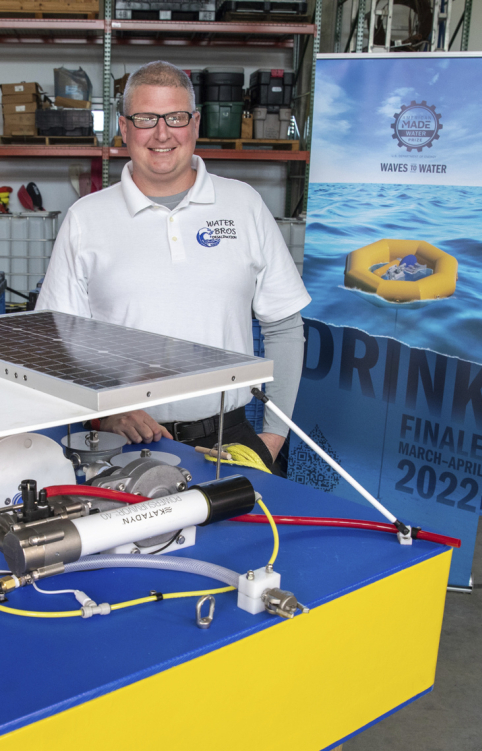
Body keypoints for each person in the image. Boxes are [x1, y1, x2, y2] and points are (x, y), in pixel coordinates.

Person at [36, 60, 308, 471]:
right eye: (146, 118)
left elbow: (284, 327)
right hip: (119, 449)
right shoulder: (85, 218)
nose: (162, 133)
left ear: (195, 124)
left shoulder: (244, 204)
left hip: (229, 442)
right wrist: (104, 415)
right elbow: (55, 347)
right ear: (124, 128)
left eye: (176, 117)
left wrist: (271, 438)